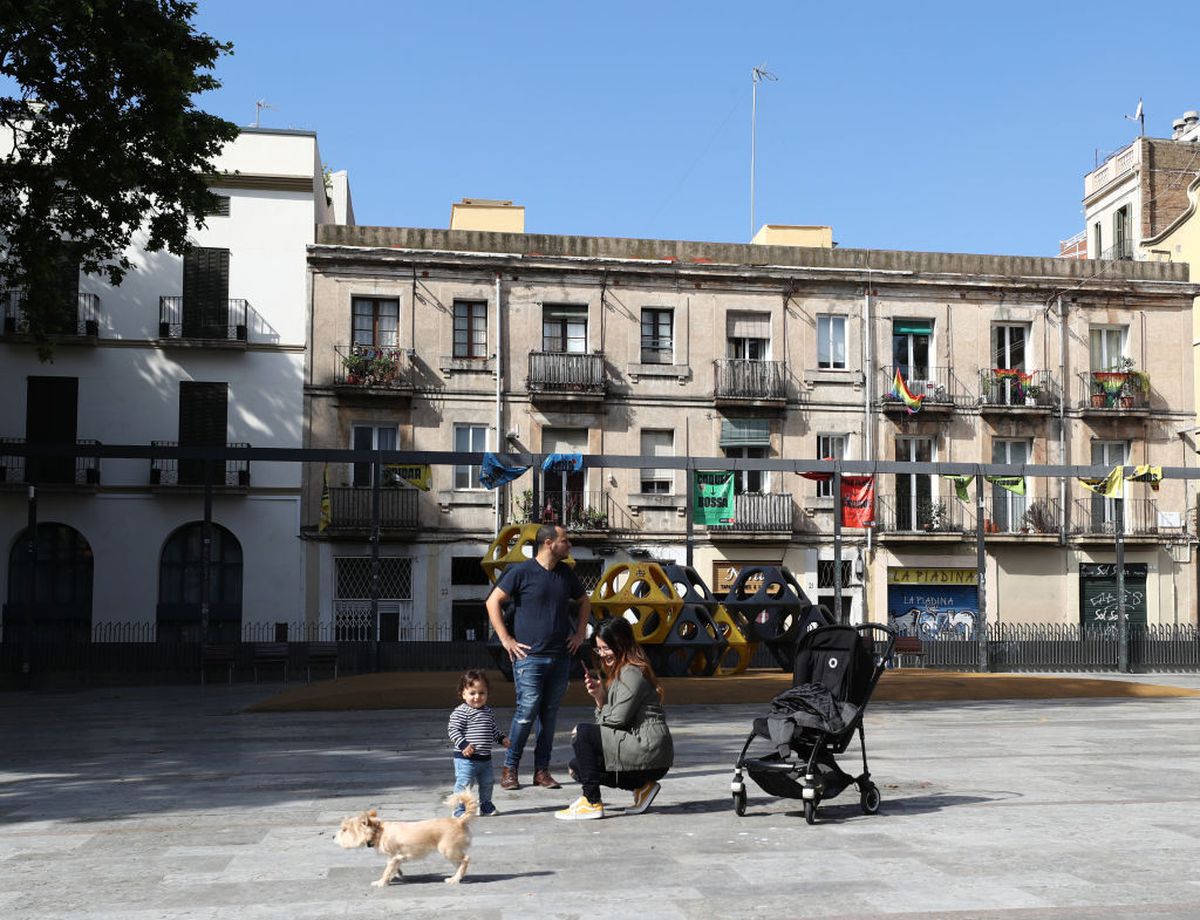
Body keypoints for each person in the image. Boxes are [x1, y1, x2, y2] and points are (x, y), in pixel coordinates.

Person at [486, 523, 590, 791]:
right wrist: (506, 639)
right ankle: (510, 769)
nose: (569, 545)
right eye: (565, 540)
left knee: (550, 716)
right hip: (529, 658)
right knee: (526, 713)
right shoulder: (521, 572)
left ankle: (541, 772)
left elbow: (584, 601)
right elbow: (492, 602)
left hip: (560, 656)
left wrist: (580, 634)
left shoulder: (566, 574)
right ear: (548, 543)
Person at [556, 616, 673, 820]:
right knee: (577, 767)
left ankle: (591, 802)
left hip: (649, 748)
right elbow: (615, 721)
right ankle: (642, 787)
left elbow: (617, 720)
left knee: (582, 733)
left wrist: (600, 705)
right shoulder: (621, 673)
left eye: (606, 648)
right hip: (642, 749)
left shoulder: (631, 673)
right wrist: (600, 697)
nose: (602, 654)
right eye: (598, 649)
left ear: (621, 644)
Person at [447, 668, 510, 816]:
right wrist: (463, 745)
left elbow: (492, 729)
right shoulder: (461, 711)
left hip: (485, 758)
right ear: (463, 694)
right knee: (464, 784)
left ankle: (485, 804)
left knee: (487, 783)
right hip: (466, 759)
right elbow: (453, 730)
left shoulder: (487, 711)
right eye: (472, 693)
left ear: (487, 693)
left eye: (482, 693)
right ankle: (459, 808)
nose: (477, 697)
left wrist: (502, 739)